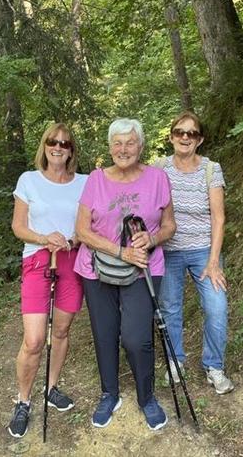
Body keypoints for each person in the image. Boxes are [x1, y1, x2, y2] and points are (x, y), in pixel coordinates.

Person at [74, 118, 176, 430]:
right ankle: (110, 394)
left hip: (144, 268)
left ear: (141, 146)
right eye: (117, 143)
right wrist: (120, 252)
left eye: (130, 142)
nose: (123, 149)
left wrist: (153, 238)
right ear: (109, 147)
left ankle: (147, 398)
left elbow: (170, 225)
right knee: (104, 334)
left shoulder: (157, 178)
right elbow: (81, 230)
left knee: (135, 338)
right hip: (96, 269)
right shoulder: (95, 179)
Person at [7, 123, 88, 438]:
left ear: (71, 150)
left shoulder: (84, 183)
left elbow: (88, 224)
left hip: (71, 259)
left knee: (63, 329)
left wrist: (75, 238)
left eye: (65, 143)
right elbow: (18, 226)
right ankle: (23, 400)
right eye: (53, 142)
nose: (58, 147)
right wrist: (45, 237)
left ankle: (52, 387)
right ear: (45, 146)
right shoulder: (29, 180)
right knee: (35, 340)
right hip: (38, 258)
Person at [156, 111, 235, 395]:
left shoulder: (211, 170)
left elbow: (219, 217)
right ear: (171, 137)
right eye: (179, 132)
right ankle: (175, 361)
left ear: (199, 139)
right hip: (168, 252)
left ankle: (214, 365)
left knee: (217, 308)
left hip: (204, 251)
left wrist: (214, 261)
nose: (185, 137)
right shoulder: (159, 169)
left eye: (191, 133)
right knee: (170, 309)